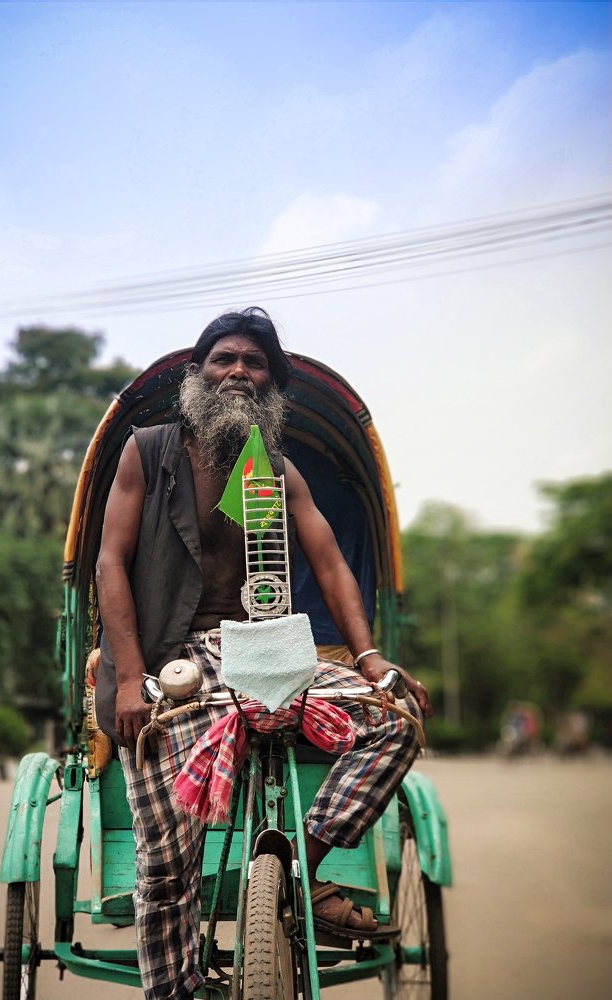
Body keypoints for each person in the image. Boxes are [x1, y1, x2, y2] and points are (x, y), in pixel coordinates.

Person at [95, 306, 432, 1000]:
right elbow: (109, 564)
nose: (239, 372)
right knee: (165, 872)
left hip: (266, 651)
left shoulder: (272, 469)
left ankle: (295, 865)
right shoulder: (148, 450)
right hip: (170, 664)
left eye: (254, 363)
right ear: (197, 374)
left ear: (270, 385)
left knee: (394, 720)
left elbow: (331, 563)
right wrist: (129, 678)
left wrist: (370, 661)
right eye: (224, 359)